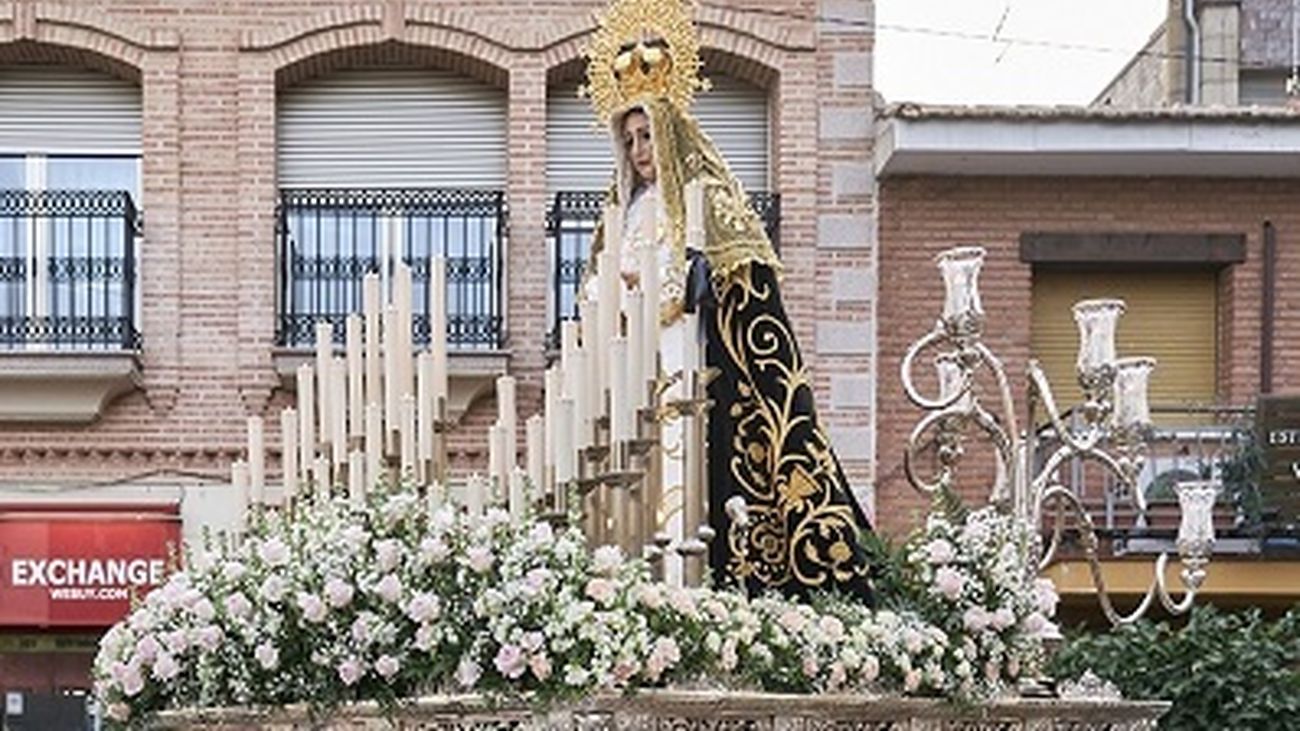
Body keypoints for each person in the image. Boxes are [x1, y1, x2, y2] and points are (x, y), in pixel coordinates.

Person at [581, 0, 874, 601]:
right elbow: (594, 293)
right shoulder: (615, 215)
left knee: (688, 484)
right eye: (629, 138)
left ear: (668, 128)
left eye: (647, 134)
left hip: (690, 364)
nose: (639, 149)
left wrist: (689, 285)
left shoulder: (704, 197)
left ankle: (693, 588)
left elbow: (746, 291)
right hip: (631, 372)